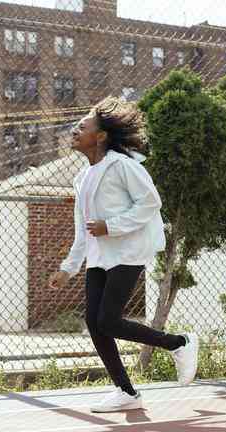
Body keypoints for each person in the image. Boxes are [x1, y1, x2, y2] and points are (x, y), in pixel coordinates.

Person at [49, 96, 198, 413]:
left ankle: (179, 343)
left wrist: (112, 226)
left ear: (101, 136)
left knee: (109, 320)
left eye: (83, 126)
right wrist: (69, 267)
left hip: (128, 251)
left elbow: (149, 203)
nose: (75, 130)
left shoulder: (123, 165)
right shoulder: (83, 177)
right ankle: (126, 392)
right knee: (94, 322)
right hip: (100, 256)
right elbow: (84, 229)